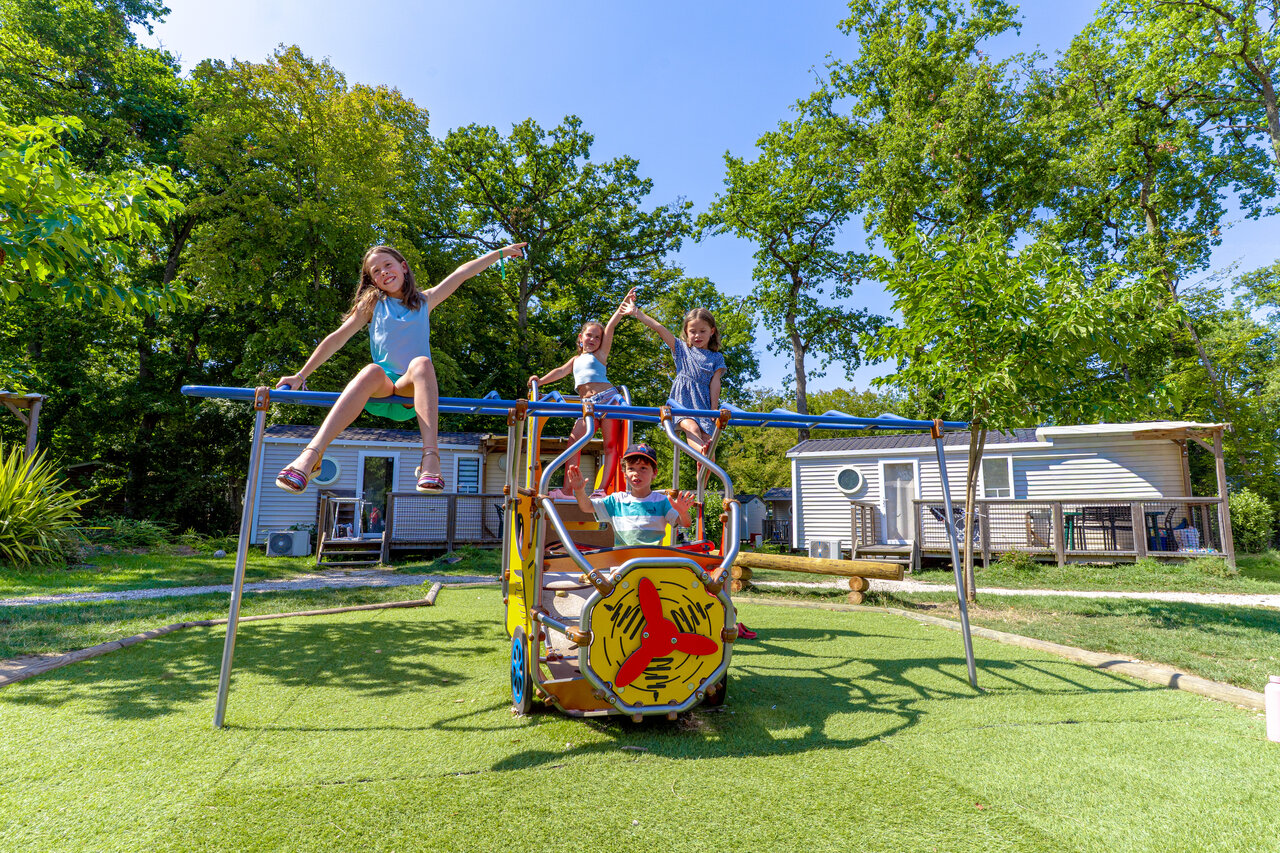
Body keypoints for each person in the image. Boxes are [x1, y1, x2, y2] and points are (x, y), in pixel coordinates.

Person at [274, 242, 527, 494]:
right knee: (372, 370)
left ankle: (430, 458)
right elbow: (337, 338)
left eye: (387, 265)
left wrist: (499, 254)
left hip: (409, 393)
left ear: (403, 267)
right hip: (379, 390)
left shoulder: (425, 301)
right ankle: (311, 455)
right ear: (372, 280)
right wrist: (300, 375)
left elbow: (462, 273)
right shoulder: (372, 305)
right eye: (376, 271)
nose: (383, 272)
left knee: (422, 363)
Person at [531, 289, 636, 492]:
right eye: (589, 335)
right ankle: (568, 490)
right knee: (573, 443)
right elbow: (560, 371)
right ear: (581, 337)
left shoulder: (600, 355)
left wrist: (623, 305)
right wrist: (540, 381)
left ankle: (601, 489)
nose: (593, 340)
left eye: (597, 337)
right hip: (587, 405)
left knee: (610, 446)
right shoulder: (576, 360)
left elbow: (612, 325)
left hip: (608, 400)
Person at [622, 301, 726, 455]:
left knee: (708, 441)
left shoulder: (716, 357)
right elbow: (659, 328)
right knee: (692, 428)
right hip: (681, 402)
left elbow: (715, 384)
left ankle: (703, 471)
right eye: (693, 331)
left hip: (703, 404)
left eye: (702, 331)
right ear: (686, 332)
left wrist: (713, 408)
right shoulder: (682, 349)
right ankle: (701, 452)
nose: (697, 335)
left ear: (712, 331)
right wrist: (637, 313)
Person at [565, 444, 694, 547]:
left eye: (643, 468)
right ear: (625, 473)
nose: (636, 474)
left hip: (652, 562)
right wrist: (579, 490)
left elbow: (685, 523)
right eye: (631, 468)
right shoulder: (616, 500)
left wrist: (682, 512)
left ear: (654, 473)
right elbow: (587, 507)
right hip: (623, 563)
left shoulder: (662, 501)